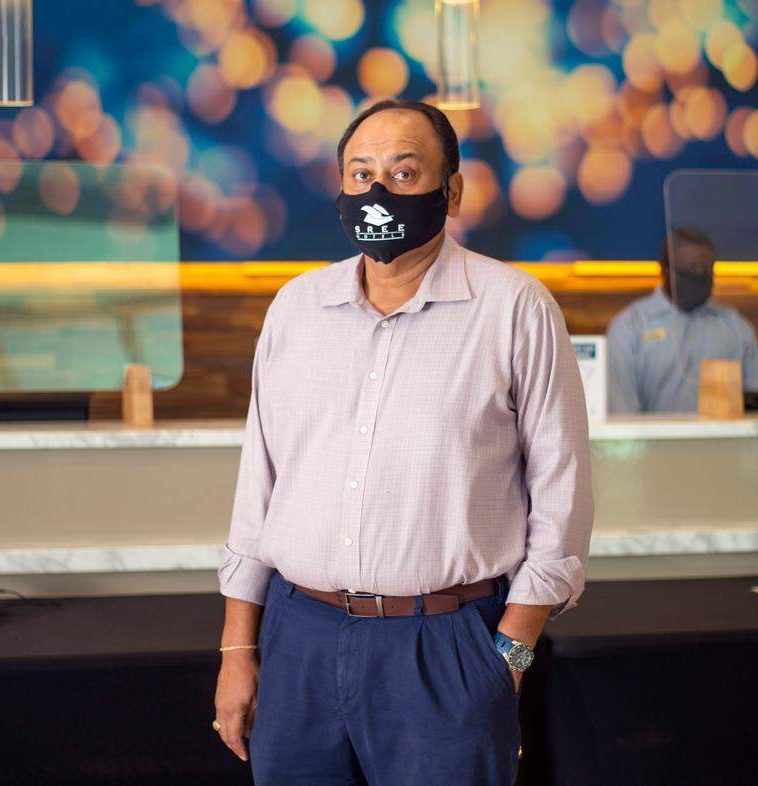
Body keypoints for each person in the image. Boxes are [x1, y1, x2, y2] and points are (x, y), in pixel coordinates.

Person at [212, 99, 594, 785]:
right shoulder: (296, 309)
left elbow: (562, 501)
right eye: (360, 174)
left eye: (403, 170)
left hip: (447, 646)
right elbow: (257, 495)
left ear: (451, 190)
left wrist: (507, 656)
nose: (378, 191)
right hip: (298, 638)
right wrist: (237, 650)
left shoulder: (515, 308)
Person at [607, 227, 758, 413]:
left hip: (723, 442)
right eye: (691, 270)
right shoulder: (630, 326)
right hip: (654, 442)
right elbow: (622, 413)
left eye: (707, 271)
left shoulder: (736, 327)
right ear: (665, 269)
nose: (699, 276)